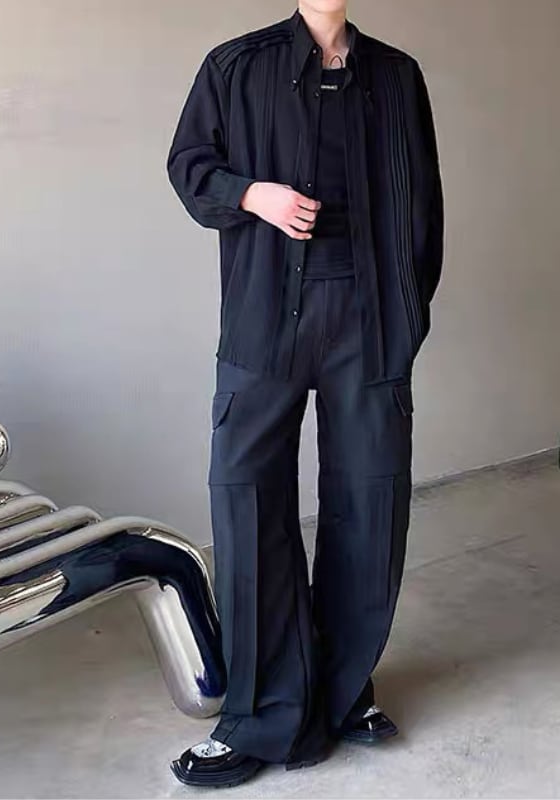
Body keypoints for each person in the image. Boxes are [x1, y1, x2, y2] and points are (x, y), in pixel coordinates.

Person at [165, 0, 444, 789]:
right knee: (247, 500)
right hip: (265, 321)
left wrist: (407, 313)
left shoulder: (396, 76)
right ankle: (261, 714)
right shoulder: (235, 66)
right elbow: (189, 165)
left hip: (369, 322)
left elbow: (424, 205)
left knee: (370, 502)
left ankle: (345, 690)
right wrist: (252, 194)